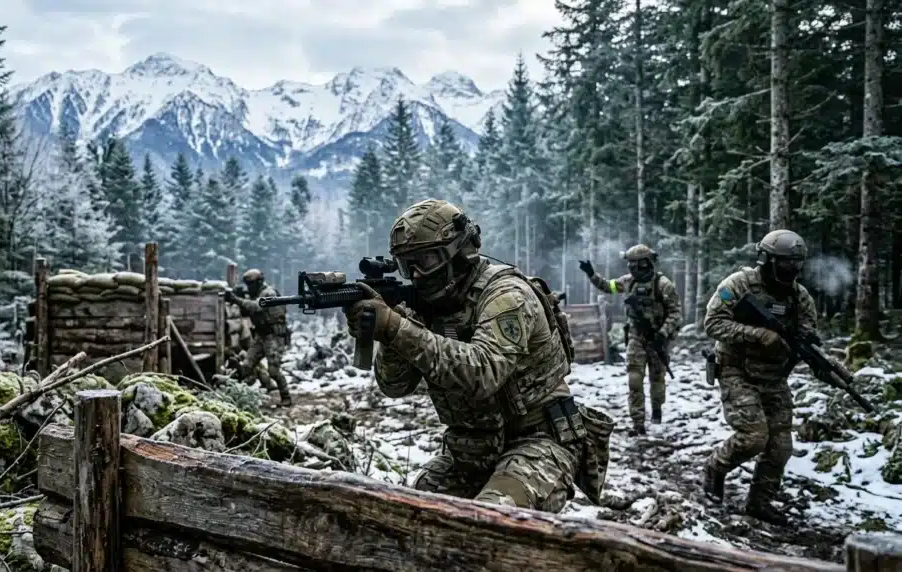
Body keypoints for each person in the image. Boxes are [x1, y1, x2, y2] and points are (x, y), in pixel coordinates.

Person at [343, 199, 613, 513]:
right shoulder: (428, 304)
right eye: (407, 265)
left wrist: (395, 328)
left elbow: (484, 373)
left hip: (538, 441)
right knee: (411, 515)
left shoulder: (505, 294)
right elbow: (393, 386)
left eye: (426, 260)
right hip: (470, 448)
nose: (416, 276)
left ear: (460, 251)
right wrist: (391, 333)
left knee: (489, 522)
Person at [701, 229, 815, 526]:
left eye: (796, 264)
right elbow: (713, 323)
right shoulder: (738, 285)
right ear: (766, 260)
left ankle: (759, 501)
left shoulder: (799, 297)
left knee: (780, 447)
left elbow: (806, 331)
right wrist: (756, 334)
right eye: (786, 263)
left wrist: (806, 344)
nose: (791, 270)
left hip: (773, 376)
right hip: (736, 369)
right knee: (754, 437)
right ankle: (715, 467)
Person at [579, 245, 682, 435]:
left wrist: (663, 333)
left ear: (646, 264)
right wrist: (592, 274)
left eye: (636, 264)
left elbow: (675, 313)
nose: (632, 269)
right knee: (634, 380)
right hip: (636, 336)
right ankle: (638, 422)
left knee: (657, 379)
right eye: (630, 265)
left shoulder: (663, 285)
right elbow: (608, 286)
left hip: (658, 339)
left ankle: (657, 413)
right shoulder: (628, 282)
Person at [225, 269, 292, 407]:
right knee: (247, 365)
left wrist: (236, 299)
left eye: (251, 284)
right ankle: (234, 396)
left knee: (274, 371)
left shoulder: (269, 293)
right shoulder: (257, 294)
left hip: (274, 336)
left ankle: (286, 397)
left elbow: (256, 307)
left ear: (259, 282)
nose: (249, 287)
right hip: (261, 336)